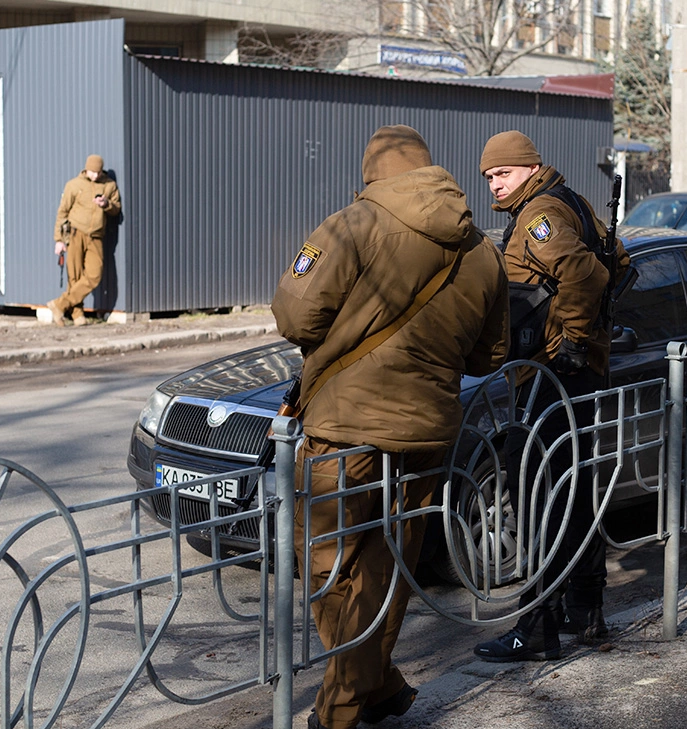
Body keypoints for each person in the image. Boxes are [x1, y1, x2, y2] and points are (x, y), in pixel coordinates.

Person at [271, 125, 509, 729]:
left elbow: (295, 318)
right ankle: (377, 687)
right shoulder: (482, 249)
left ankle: (340, 714)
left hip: (342, 430)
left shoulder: (354, 224)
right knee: (383, 572)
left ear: (373, 171)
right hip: (426, 436)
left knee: (326, 563)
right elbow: (490, 357)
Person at [472, 130, 629, 663]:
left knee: (539, 496)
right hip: (571, 376)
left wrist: (575, 343)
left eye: (503, 173)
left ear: (529, 167)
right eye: (489, 177)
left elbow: (584, 274)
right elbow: (619, 263)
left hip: (554, 376)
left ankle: (536, 626)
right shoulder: (571, 201)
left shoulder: (539, 215)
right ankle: (586, 612)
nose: (494, 184)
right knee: (572, 492)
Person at [46, 154, 121, 326]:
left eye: (98, 172)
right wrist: (58, 240)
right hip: (75, 233)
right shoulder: (74, 185)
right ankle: (77, 315)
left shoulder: (109, 185)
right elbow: (62, 212)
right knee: (75, 275)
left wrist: (106, 204)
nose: (95, 175)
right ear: (86, 169)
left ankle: (60, 304)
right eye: (92, 172)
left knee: (95, 274)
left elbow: (116, 208)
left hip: (96, 236)